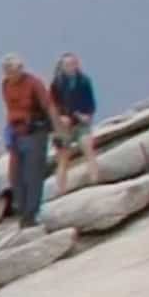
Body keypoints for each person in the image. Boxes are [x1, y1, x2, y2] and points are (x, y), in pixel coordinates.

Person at [0, 52, 63, 228]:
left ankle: (31, 214)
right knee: (16, 176)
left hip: (35, 133)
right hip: (17, 134)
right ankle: (22, 210)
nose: (10, 73)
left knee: (32, 175)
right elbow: (10, 109)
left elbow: (49, 107)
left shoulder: (34, 83)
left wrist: (58, 132)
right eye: (7, 70)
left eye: (13, 69)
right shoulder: (5, 86)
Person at [50, 52, 101, 194]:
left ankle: (95, 183)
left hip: (81, 123)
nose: (71, 67)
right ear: (62, 67)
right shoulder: (57, 84)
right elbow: (53, 106)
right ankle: (61, 191)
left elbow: (91, 103)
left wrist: (87, 115)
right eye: (67, 64)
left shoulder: (84, 81)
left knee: (89, 150)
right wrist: (60, 119)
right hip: (64, 126)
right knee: (63, 159)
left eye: (73, 63)